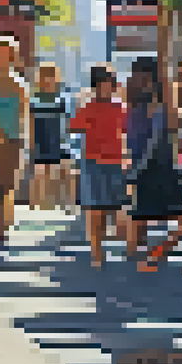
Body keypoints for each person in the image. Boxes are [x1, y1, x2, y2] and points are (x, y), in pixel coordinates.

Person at [124, 58, 182, 272]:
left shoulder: (143, 106)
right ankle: (145, 262)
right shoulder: (140, 107)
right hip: (154, 169)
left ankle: (148, 260)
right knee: (142, 225)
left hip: (157, 169)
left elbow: (174, 127)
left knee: (146, 224)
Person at [68, 66, 128, 268]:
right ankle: (96, 253)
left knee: (112, 209)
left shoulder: (121, 107)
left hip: (115, 162)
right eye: (102, 84)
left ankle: (106, 248)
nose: (107, 88)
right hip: (93, 163)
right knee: (95, 209)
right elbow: (73, 126)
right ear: (95, 86)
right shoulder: (88, 107)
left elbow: (129, 130)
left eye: (110, 83)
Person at [0, 36, 30, 256]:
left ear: (12, 57)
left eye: (3, 54)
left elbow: (24, 116)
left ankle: (2, 225)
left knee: (6, 186)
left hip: (11, 141)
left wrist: (24, 142)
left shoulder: (19, 84)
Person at [29, 63, 75, 214]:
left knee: (67, 172)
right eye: (44, 76)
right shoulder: (34, 99)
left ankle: (68, 204)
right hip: (41, 141)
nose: (47, 79)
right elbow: (31, 122)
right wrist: (31, 144)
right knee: (40, 173)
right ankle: (36, 206)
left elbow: (68, 121)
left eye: (50, 76)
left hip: (60, 140)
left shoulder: (63, 98)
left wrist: (69, 140)